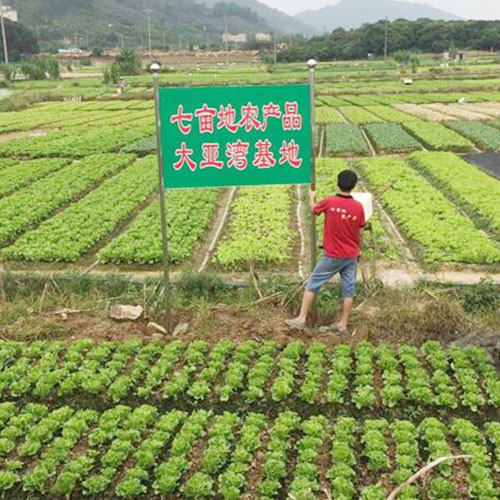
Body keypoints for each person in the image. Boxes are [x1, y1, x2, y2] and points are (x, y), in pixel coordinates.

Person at [285, 169, 365, 334]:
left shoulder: (329, 202)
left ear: (338, 183)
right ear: (354, 185)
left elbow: (314, 210)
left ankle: (301, 318)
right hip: (350, 255)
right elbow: (360, 231)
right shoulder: (358, 207)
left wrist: (311, 196)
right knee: (348, 290)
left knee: (312, 283)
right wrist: (359, 249)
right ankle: (343, 325)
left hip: (332, 255)